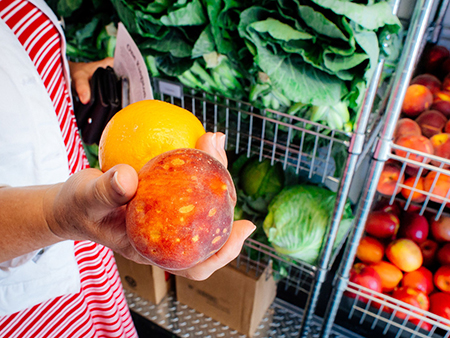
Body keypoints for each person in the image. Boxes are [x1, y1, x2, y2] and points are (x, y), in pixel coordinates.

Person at [0, 0, 256, 336]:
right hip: (30, 305)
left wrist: (60, 74)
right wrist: (56, 217)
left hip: (86, 254)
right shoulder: (68, 215)